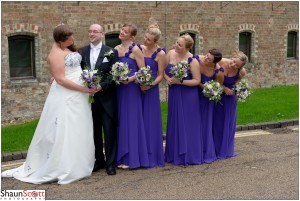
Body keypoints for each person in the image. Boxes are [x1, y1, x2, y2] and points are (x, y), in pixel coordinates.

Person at [1, 24, 98, 184]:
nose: (73, 39)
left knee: (80, 126)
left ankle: (81, 163)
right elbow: (60, 79)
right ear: (61, 40)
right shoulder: (55, 54)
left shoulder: (68, 49)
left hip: (79, 96)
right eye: (69, 38)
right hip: (68, 95)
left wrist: (87, 80)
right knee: (67, 128)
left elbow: (67, 71)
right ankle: (65, 166)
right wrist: (84, 89)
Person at [79, 24, 119, 175]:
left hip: (107, 99)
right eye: (89, 31)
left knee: (109, 132)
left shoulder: (111, 52)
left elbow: (114, 75)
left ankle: (110, 163)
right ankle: (98, 161)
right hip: (89, 100)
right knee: (94, 132)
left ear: (102, 34)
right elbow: (76, 72)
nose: (91, 33)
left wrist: (101, 86)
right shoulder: (82, 51)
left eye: (95, 31)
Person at [164, 34, 202, 166]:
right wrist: (167, 78)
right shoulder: (170, 53)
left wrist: (180, 81)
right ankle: (173, 154)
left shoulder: (192, 60)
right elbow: (163, 70)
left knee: (188, 124)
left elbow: (197, 81)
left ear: (187, 48)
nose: (176, 46)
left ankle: (189, 154)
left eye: (180, 45)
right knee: (174, 122)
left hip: (188, 95)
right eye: (177, 42)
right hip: (174, 93)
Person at [115, 24, 149, 169]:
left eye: (126, 31)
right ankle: (122, 155)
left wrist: (129, 79)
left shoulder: (135, 49)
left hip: (131, 89)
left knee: (131, 120)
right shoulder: (116, 49)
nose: (122, 32)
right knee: (121, 120)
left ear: (132, 36)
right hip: (119, 89)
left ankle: (132, 157)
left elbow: (143, 70)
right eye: (122, 30)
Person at [213, 50, 248, 159]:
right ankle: (214, 149)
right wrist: (224, 88)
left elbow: (236, 82)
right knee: (216, 122)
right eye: (233, 61)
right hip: (217, 96)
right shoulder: (220, 62)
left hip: (229, 99)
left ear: (240, 67)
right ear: (232, 57)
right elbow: (212, 79)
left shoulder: (242, 72)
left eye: (236, 65)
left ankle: (225, 149)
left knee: (227, 123)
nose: (233, 65)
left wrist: (238, 90)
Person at [140, 23, 166, 168]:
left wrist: (149, 85)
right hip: (137, 88)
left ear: (155, 42)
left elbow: (160, 75)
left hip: (151, 90)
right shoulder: (139, 49)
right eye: (145, 37)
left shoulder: (160, 54)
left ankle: (151, 154)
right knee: (139, 120)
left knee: (149, 121)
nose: (145, 41)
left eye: (149, 39)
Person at [198, 48, 223, 164]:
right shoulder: (197, 60)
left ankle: (204, 151)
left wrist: (209, 90)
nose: (206, 59)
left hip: (207, 99)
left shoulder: (218, 71)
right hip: (194, 96)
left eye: (209, 59)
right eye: (206, 56)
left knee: (205, 124)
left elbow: (218, 86)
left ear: (214, 63)